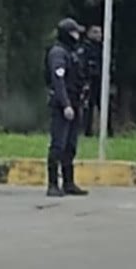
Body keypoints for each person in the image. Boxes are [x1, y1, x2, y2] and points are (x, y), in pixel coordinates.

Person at [45, 17, 89, 197]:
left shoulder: (72, 52)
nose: (77, 35)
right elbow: (58, 80)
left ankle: (69, 182)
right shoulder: (58, 53)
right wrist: (66, 105)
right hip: (63, 104)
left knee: (70, 145)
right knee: (58, 145)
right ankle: (53, 184)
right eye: (74, 32)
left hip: (75, 102)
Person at [81, 25, 104, 136]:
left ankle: (107, 130)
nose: (99, 35)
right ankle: (87, 131)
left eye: (100, 32)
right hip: (90, 80)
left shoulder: (102, 48)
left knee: (104, 104)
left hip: (100, 80)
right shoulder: (85, 48)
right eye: (95, 32)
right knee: (88, 106)